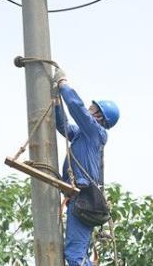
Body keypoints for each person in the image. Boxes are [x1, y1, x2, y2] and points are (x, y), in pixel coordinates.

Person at [53, 68, 120, 266]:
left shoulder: (95, 132)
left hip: (83, 196)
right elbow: (62, 125)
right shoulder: (84, 135)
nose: (89, 109)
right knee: (76, 253)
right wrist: (57, 102)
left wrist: (64, 85)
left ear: (99, 116)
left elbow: (77, 108)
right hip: (80, 197)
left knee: (75, 256)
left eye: (93, 108)